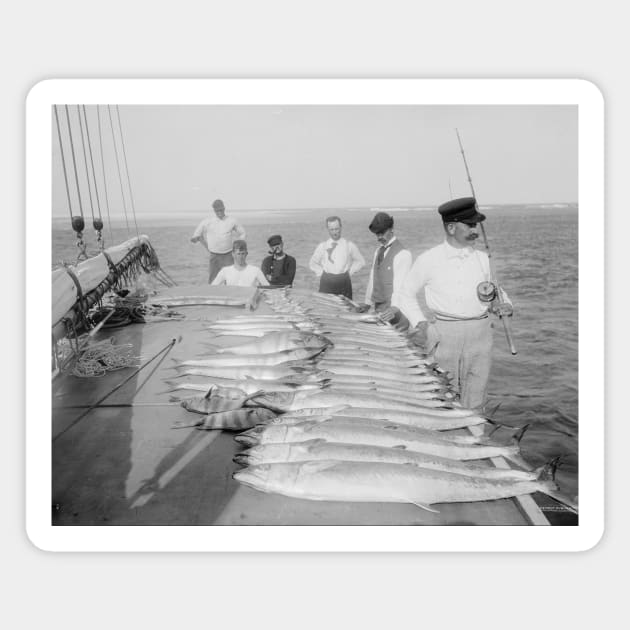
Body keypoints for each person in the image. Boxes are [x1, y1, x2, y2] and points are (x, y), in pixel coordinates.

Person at [397, 197, 513, 410]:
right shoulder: (429, 259)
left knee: (476, 397)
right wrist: (422, 325)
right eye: (469, 225)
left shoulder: (484, 259)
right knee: (442, 395)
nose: (475, 229)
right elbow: (405, 294)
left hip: (480, 335)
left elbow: (496, 290)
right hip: (443, 334)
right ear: (451, 227)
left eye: (475, 224)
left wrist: (504, 304)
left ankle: (476, 439)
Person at [362, 212, 412, 329]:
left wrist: (394, 308)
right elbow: (372, 279)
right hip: (380, 311)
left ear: (391, 229)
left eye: (382, 233)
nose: (379, 237)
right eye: (377, 234)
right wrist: (367, 303)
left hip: (397, 313)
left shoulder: (403, 254)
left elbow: (400, 286)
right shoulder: (378, 252)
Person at [308, 216, 365, 299]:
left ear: (341, 228)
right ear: (327, 229)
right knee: (325, 308)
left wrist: (350, 272)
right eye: (332, 229)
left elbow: (360, 261)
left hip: (344, 282)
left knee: (346, 309)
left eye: (336, 229)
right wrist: (322, 274)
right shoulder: (322, 246)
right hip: (326, 282)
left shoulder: (349, 245)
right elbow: (312, 263)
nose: (335, 232)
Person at [190, 199, 246, 283]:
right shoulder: (207, 222)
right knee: (213, 279)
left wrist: (238, 246)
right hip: (214, 255)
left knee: (230, 279)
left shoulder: (232, 221)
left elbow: (243, 233)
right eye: (217, 210)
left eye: (221, 209)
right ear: (214, 210)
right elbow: (196, 235)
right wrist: (195, 239)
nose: (219, 212)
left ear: (224, 208)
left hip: (228, 255)